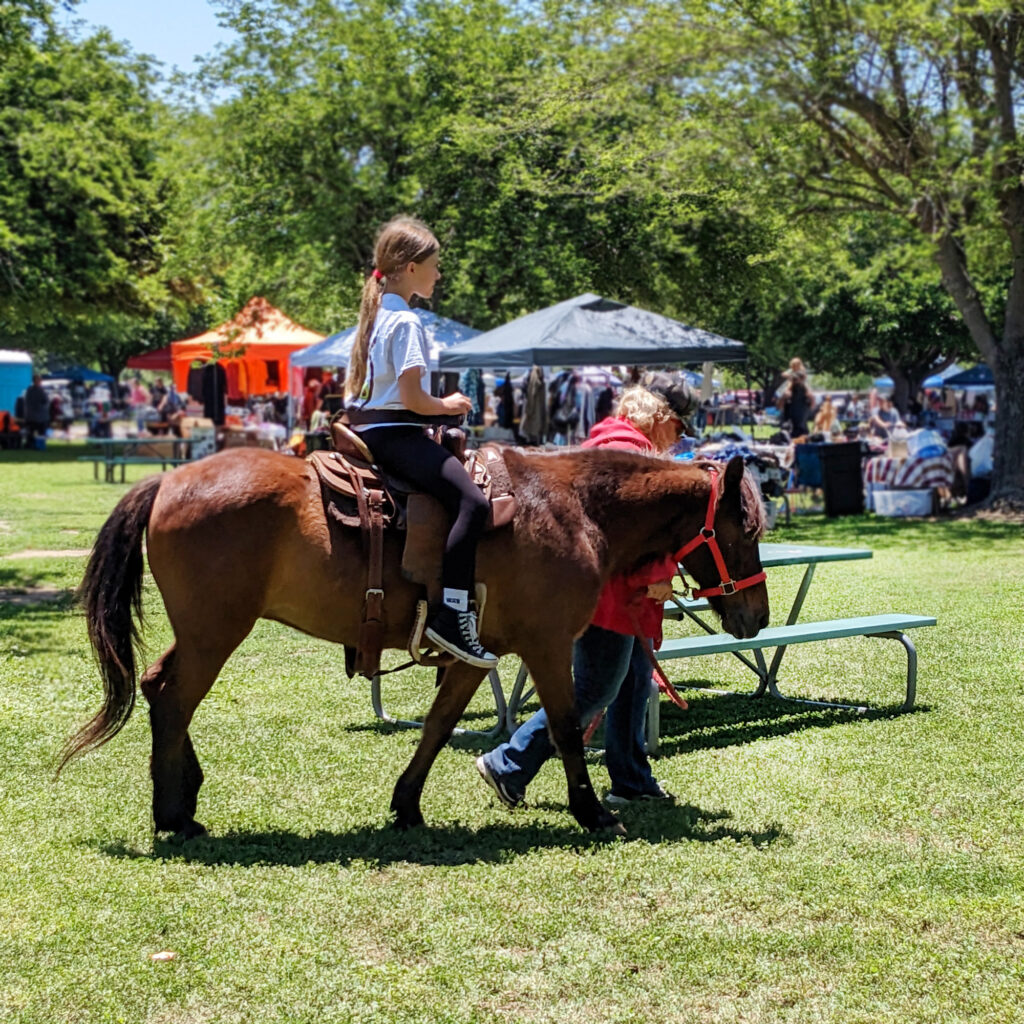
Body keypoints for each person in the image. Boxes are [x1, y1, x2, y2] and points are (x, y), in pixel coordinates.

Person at [475, 373, 700, 808]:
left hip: (610, 589)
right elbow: (624, 537)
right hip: (610, 592)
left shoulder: (612, 444)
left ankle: (631, 780)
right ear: (660, 416)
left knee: (634, 682)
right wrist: (655, 574)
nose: (680, 438)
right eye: (680, 426)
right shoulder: (629, 454)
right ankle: (509, 762)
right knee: (595, 688)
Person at [342, 215, 496, 669]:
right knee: (474, 504)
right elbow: (412, 399)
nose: (439, 274)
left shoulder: (374, 317)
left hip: (368, 431)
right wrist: (450, 404)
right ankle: (451, 614)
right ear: (410, 267)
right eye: (434, 264)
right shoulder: (406, 322)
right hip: (396, 434)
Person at [779, 357, 814, 439]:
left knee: (808, 392)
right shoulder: (791, 371)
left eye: (796, 365)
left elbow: (803, 377)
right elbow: (783, 374)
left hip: (802, 387)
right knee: (788, 387)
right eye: (794, 365)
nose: (795, 366)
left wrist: (797, 377)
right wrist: (791, 375)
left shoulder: (802, 371)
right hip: (792, 385)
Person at [23, 374, 50, 444]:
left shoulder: (29, 390)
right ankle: (40, 444)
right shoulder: (41, 390)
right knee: (41, 431)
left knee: (30, 432)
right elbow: (45, 400)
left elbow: (26, 400)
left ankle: (30, 443)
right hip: (40, 416)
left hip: (30, 415)